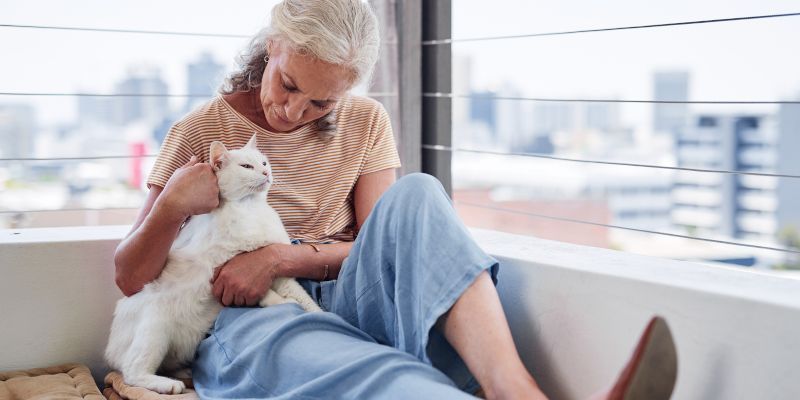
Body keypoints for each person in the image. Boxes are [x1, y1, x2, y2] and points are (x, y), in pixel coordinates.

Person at [113, 0, 677, 399]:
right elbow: (129, 276)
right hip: (242, 316)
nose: (294, 111)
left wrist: (282, 257)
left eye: (321, 104)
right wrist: (171, 207)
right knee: (365, 368)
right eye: (288, 85)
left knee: (419, 193)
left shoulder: (366, 121)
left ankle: (517, 392)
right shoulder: (201, 132)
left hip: (344, 291)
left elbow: (378, 243)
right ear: (274, 45)